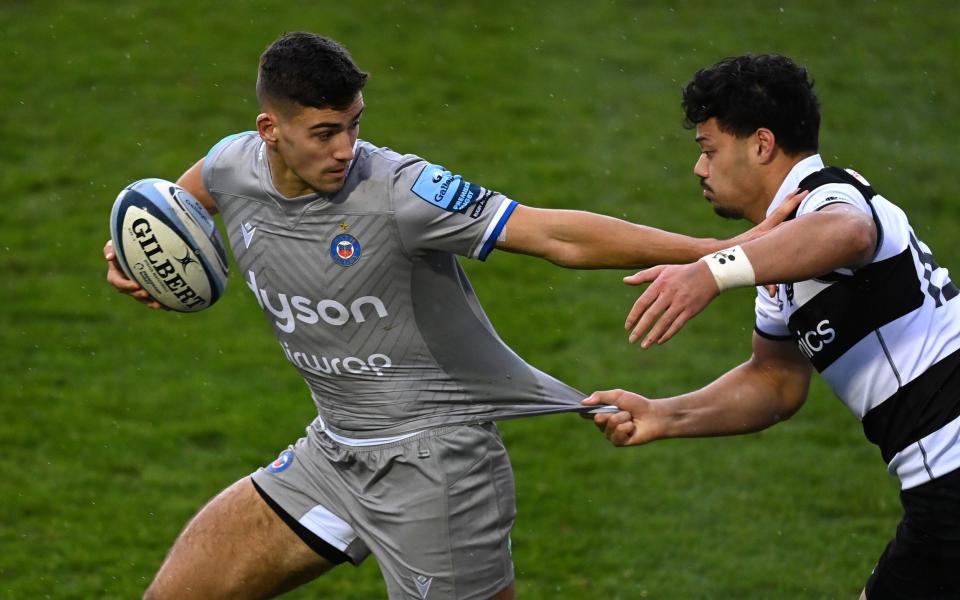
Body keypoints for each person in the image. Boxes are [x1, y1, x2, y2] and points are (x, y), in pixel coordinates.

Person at [104, 34, 795, 600]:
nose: (345, 149)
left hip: (436, 467)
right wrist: (133, 257)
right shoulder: (230, 165)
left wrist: (714, 251)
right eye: (322, 133)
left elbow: (554, 234)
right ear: (269, 131)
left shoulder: (401, 193)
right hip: (334, 454)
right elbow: (177, 206)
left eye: (353, 126)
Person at [583, 53, 960, 599]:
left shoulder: (828, 195)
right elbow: (775, 381)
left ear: (761, 144)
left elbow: (849, 233)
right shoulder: (777, 255)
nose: (699, 168)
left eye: (709, 150)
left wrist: (713, 271)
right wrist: (663, 416)